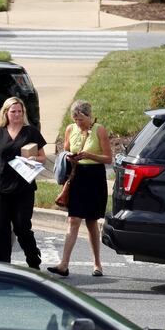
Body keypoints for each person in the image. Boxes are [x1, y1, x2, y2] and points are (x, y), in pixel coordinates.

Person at [0, 97, 47, 269]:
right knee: (1, 228)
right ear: (6, 113)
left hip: (24, 186)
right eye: (13, 111)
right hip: (1, 187)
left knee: (22, 227)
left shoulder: (31, 132)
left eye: (20, 111)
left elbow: (43, 158)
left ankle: (33, 260)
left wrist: (33, 157)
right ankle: (3, 267)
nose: (17, 114)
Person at [47, 100, 112, 278]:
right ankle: (64, 264)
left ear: (89, 117)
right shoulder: (70, 129)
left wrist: (90, 155)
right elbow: (65, 150)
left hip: (94, 177)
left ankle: (97, 263)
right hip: (76, 176)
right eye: (75, 119)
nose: (78, 123)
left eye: (81, 119)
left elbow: (108, 158)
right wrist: (69, 157)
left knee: (91, 222)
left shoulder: (99, 130)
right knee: (73, 219)